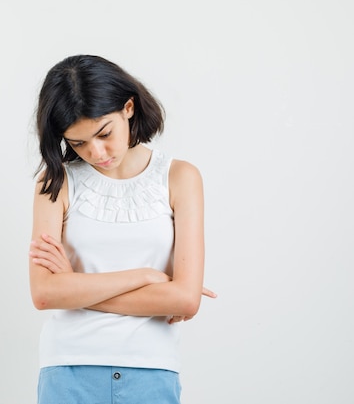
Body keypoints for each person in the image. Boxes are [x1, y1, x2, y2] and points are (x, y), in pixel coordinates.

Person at [28, 55, 216, 404]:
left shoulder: (180, 178)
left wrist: (75, 287)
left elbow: (185, 299)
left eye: (104, 133)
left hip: (152, 369)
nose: (96, 153)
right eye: (78, 143)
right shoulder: (55, 183)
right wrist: (148, 277)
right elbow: (44, 294)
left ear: (128, 107)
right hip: (69, 368)